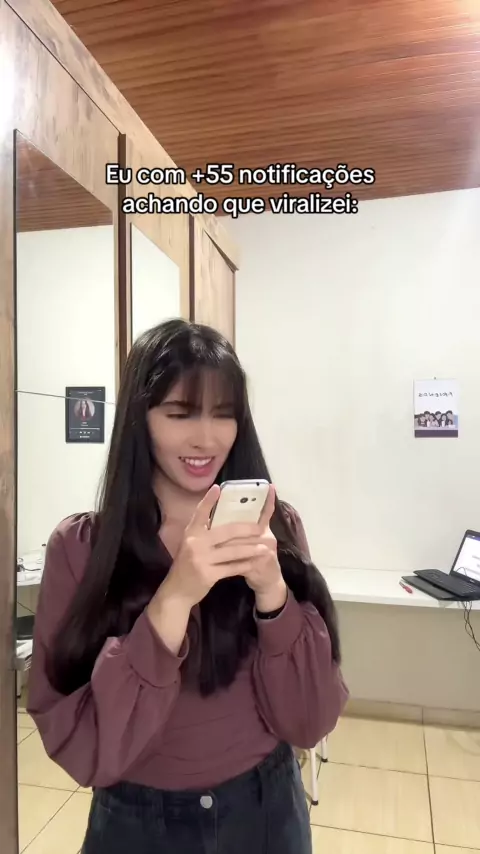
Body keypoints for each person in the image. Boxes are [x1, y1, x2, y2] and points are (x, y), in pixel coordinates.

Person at [27, 319, 348, 854]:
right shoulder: (83, 548)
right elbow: (77, 740)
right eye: (180, 414)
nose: (206, 438)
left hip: (266, 810)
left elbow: (309, 719)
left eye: (224, 413)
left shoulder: (275, 527)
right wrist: (175, 596)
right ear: (139, 418)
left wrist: (272, 592)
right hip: (136, 822)